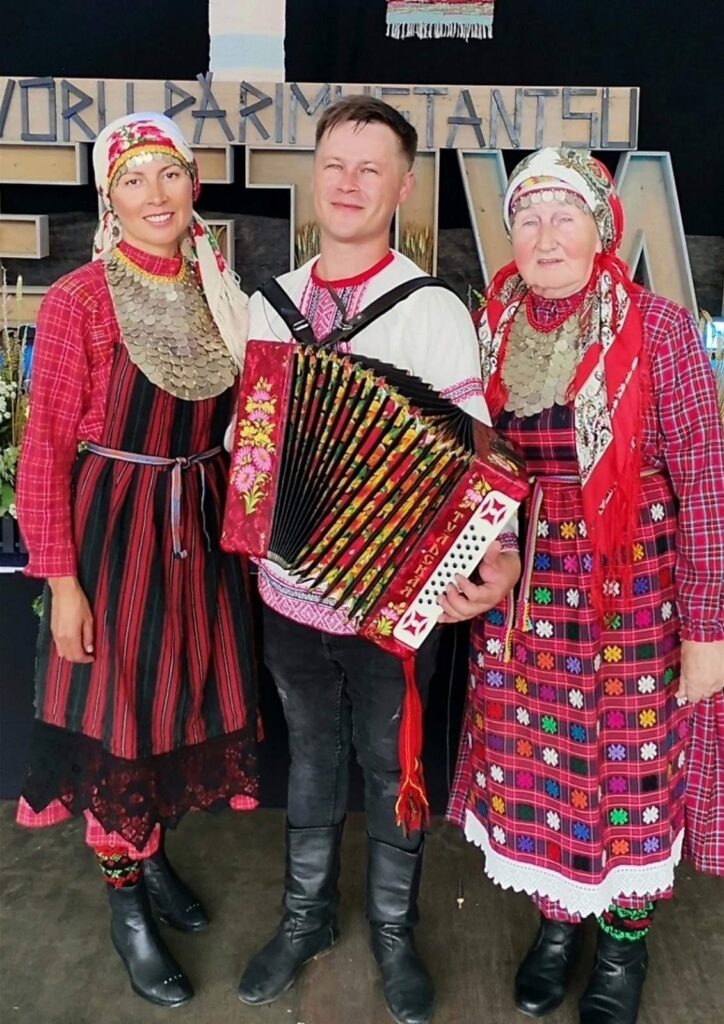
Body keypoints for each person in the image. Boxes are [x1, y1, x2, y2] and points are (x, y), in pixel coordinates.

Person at [234, 95, 521, 1024]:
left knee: (388, 756)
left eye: (372, 168)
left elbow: (482, 456)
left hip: (402, 597)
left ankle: (393, 930)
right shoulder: (267, 304)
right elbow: (256, 445)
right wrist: (250, 527)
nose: (350, 184)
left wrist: (499, 556)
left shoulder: (435, 309)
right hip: (289, 588)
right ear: (313, 178)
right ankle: (306, 916)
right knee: (310, 753)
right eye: (334, 165)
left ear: (403, 187)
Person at [447, 147, 724, 1024]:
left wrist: (709, 629)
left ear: (603, 228)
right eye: (528, 217)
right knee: (535, 765)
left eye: (565, 215)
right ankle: (559, 922)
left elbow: (709, 484)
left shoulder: (658, 328)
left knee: (631, 773)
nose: (545, 235)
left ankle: (624, 945)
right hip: (524, 591)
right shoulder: (487, 327)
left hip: (632, 591)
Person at [15, 113, 258, 1008]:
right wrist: (63, 582)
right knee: (120, 721)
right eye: (133, 179)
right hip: (115, 538)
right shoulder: (79, 297)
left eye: (169, 174)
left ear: (193, 184)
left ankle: (150, 859)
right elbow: (44, 453)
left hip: (199, 533)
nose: (155, 195)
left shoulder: (220, 287)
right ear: (107, 197)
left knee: (176, 710)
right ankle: (126, 908)